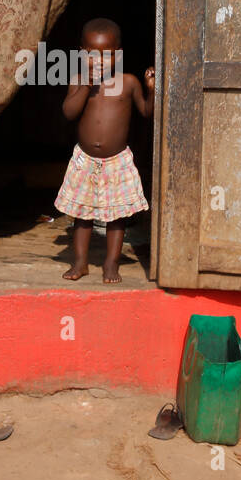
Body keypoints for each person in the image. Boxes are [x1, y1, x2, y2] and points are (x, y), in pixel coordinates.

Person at [55, 18, 155, 283]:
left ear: (118, 56)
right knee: (82, 215)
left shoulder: (129, 82)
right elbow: (69, 112)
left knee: (116, 217)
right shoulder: (78, 80)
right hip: (85, 160)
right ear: (80, 53)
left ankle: (111, 264)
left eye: (107, 56)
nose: (98, 61)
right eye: (91, 55)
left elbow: (146, 112)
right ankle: (80, 263)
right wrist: (86, 87)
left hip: (117, 161)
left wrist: (151, 91)